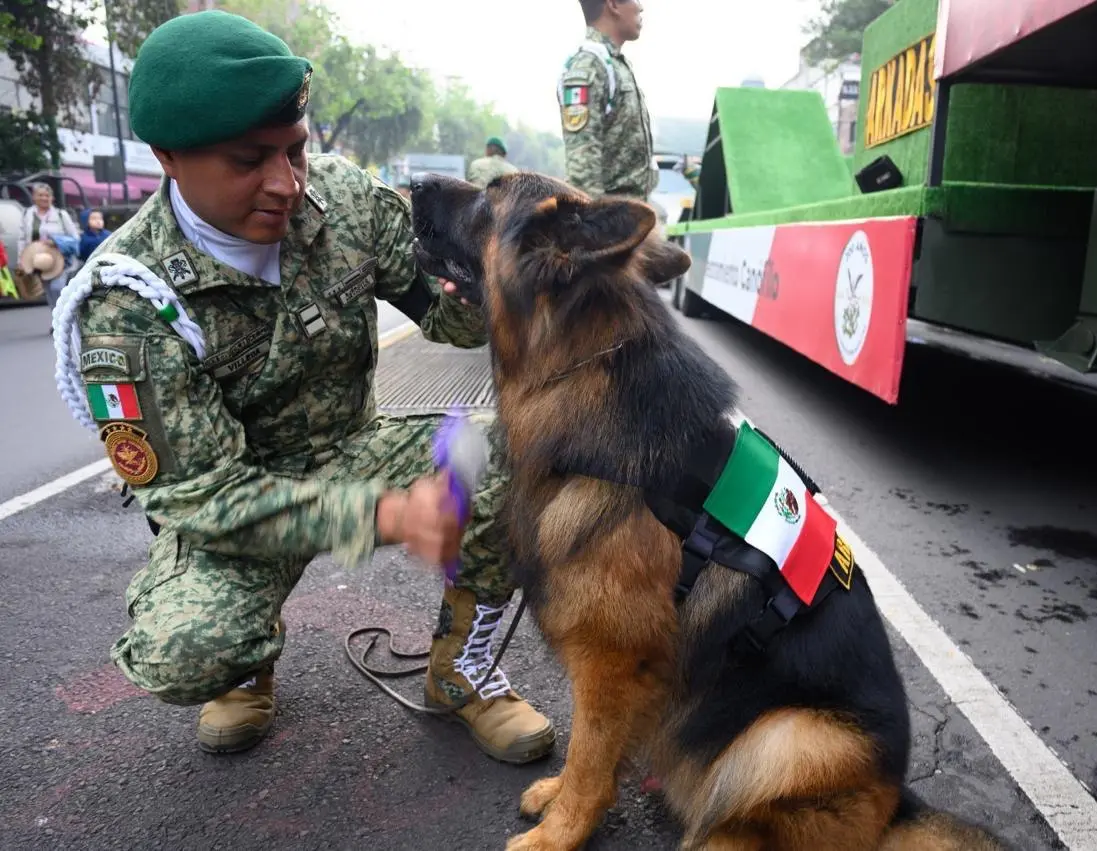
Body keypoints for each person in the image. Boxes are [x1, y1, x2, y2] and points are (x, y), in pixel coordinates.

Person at [52, 10, 556, 763]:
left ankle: (462, 671)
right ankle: (245, 664)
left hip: (357, 448)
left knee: (518, 451)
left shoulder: (345, 202)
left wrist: (495, 280)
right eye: (249, 160)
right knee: (187, 649)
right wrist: (382, 516)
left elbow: (448, 321)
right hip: (240, 503)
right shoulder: (128, 301)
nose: (286, 184)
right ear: (169, 158)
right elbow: (206, 499)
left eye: (297, 151)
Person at [559, 0, 657, 200]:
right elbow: (582, 166)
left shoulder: (613, 63)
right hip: (612, 218)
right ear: (613, 5)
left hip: (630, 213)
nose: (641, 6)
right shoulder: (589, 65)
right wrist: (596, 226)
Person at [17, 182, 80, 317]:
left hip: (60, 259)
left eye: (47, 195)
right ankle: (57, 319)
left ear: (52, 198)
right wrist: (21, 261)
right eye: (40, 195)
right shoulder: (27, 214)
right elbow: (22, 238)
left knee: (57, 288)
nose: (44, 198)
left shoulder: (61, 215)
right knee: (49, 291)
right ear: (34, 197)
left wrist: (55, 242)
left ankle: (67, 317)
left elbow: (75, 237)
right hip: (38, 261)